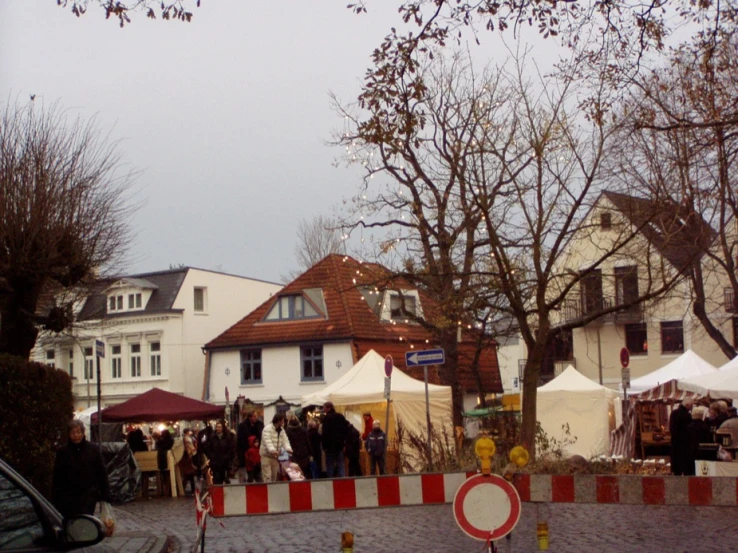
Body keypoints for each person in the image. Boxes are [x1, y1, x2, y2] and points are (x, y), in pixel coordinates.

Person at [52, 420, 111, 518]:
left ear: (83, 433)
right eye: (73, 433)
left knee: (85, 521)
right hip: (68, 497)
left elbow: (101, 472)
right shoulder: (63, 452)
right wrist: (55, 497)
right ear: (69, 434)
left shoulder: (93, 449)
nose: (76, 435)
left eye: (78, 432)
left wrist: (105, 494)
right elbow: (57, 476)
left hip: (88, 496)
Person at [260, 413, 293, 482]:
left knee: (274, 477)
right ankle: (267, 491)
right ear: (279, 421)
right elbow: (268, 441)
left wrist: (288, 449)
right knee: (267, 477)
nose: (284, 422)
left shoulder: (282, 430)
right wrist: (272, 450)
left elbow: (285, 441)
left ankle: (272, 491)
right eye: (283, 421)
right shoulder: (267, 429)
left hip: (275, 457)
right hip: (266, 456)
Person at [321, 401, 348, 478]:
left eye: (324, 408)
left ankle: (331, 481)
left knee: (330, 465)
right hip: (339, 445)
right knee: (340, 464)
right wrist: (344, 442)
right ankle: (342, 481)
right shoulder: (340, 416)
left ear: (328, 408)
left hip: (329, 447)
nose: (324, 410)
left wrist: (324, 446)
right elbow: (345, 430)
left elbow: (325, 434)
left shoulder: (326, 419)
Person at [237, 410, 265, 481]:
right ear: (249, 417)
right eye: (254, 416)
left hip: (257, 453)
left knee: (258, 476)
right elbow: (240, 440)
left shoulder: (259, 424)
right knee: (248, 476)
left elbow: (262, 436)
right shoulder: (242, 426)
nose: (256, 418)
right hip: (246, 453)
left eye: (256, 416)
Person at [669, 397, 693, 475]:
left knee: (677, 469)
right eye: (691, 406)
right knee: (685, 468)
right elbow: (689, 431)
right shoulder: (687, 416)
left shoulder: (673, 413)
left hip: (675, 444)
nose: (692, 407)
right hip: (685, 445)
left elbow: (671, 429)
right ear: (687, 405)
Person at [686, 405, 714, 473]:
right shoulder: (705, 427)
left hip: (691, 452)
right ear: (702, 415)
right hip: (704, 452)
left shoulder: (689, 427)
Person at [207, 420, 235, 484]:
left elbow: (231, 448)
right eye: (217, 427)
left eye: (219, 427)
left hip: (224, 462)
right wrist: (212, 457)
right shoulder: (212, 437)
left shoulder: (227, 437)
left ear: (223, 428)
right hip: (215, 462)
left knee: (223, 478)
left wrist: (227, 457)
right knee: (216, 479)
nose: (218, 428)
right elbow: (209, 448)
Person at [155, 428, 175, 495]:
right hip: (169, 459)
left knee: (163, 475)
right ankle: (168, 489)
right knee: (168, 475)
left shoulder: (160, 441)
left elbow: (157, 447)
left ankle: (165, 489)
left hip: (161, 461)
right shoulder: (171, 440)